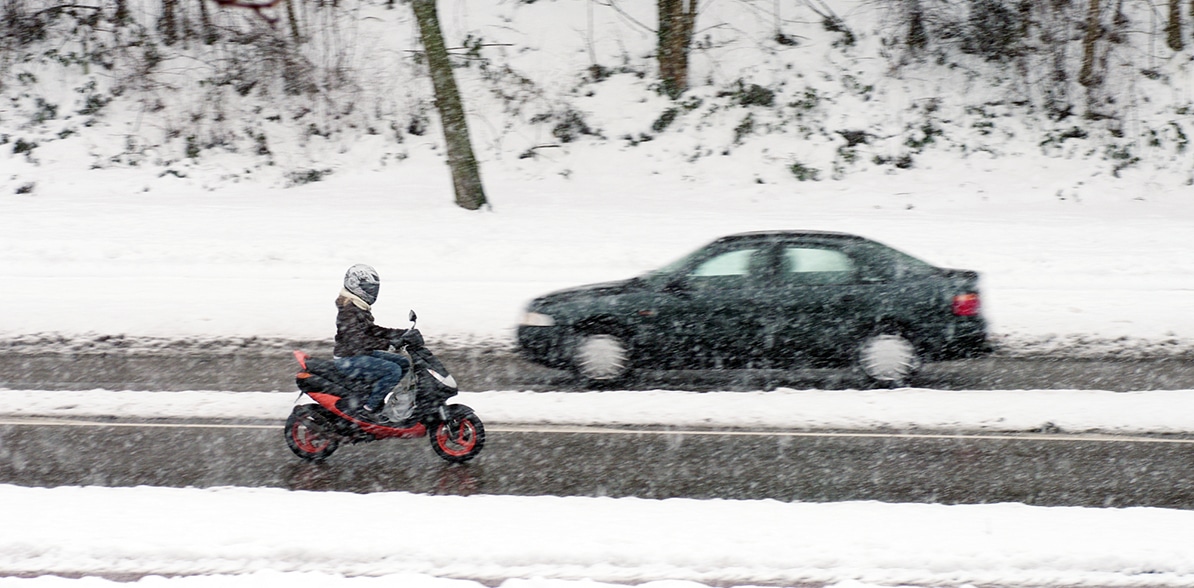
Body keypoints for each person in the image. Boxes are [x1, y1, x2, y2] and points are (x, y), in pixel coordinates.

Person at [333, 264, 411, 416]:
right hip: (348, 358)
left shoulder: (357, 306)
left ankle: (375, 395)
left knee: (403, 363)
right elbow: (358, 341)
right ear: (354, 285)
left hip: (358, 353)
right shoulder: (349, 310)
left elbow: (371, 330)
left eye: (373, 288)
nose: (372, 292)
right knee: (393, 370)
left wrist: (401, 334)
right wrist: (388, 344)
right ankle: (368, 410)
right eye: (368, 288)